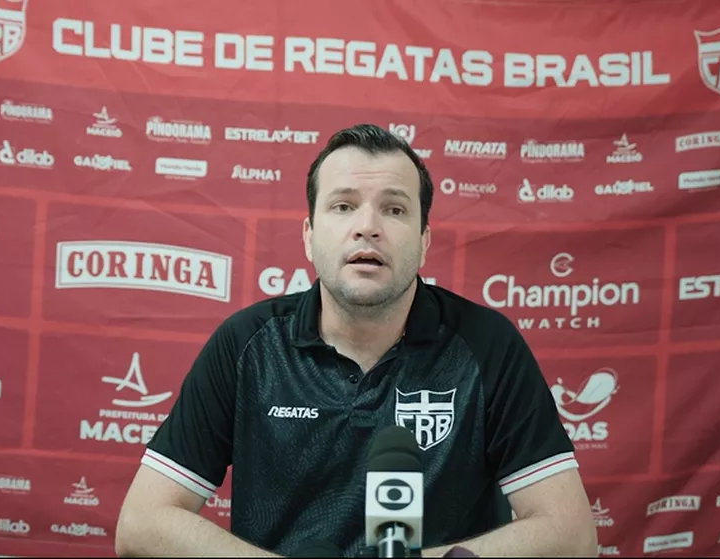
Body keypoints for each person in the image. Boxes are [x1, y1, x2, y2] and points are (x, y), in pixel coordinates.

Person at [114, 124, 598, 558]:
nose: (368, 227)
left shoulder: (487, 345)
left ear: (424, 241)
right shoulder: (247, 344)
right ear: (309, 236)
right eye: (343, 206)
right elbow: (142, 523)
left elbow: (571, 535)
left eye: (394, 209)